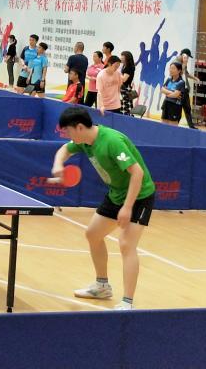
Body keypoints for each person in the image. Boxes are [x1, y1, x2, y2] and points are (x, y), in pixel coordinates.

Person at [50, 106, 155, 311]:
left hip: (139, 195)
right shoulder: (84, 141)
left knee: (126, 244)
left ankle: (127, 302)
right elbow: (64, 150)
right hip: (116, 193)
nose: (67, 135)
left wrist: (127, 207)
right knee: (93, 234)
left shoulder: (112, 142)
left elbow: (137, 173)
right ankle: (102, 286)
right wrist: (58, 164)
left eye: (68, 131)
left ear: (79, 127)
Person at [160, 61, 187, 126]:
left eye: (173, 68)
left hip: (175, 106)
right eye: (170, 68)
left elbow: (175, 95)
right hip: (166, 103)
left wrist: (167, 92)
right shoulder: (169, 79)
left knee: (173, 126)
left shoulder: (181, 82)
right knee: (163, 124)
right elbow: (162, 89)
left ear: (179, 71)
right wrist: (172, 92)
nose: (171, 70)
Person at [176, 48, 197, 129]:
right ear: (183, 55)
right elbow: (180, 73)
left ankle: (191, 126)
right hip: (179, 89)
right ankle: (175, 124)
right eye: (187, 57)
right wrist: (184, 63)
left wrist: (195, 78)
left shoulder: (184, 63)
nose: (187, 59)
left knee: (187, 108)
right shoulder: (177, 62)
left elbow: (186, 73)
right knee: (178, 108)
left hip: (185, 89)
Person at [119, 51, 137, 116]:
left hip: (126, 89)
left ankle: (128, 118)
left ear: (126, 58)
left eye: (122, 57)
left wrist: (117, 74)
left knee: (126, 106)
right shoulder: (124, 66)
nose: (120, 58)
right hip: (125, 88)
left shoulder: (129, 67)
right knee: (125, 105)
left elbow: (124, 79)